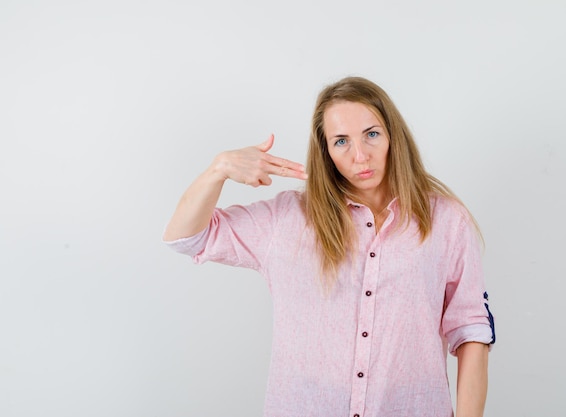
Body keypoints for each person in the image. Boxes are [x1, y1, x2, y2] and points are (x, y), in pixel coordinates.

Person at [163, 76, 495, 417]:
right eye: (341, 141)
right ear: (325, 151)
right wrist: (218, 170)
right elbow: (185, 238)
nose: (360, 155)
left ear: (393, 134)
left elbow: (471, 330)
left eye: (371, 134)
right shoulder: (287, 218)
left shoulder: (446, 221)